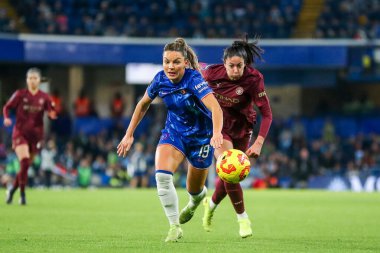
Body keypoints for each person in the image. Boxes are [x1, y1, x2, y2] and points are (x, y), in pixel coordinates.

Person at [117, 38, 223, 242]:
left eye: (176, 62)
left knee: (195, 189)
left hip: (202, 138)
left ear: (185, 62)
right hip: (174, 133)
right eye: (166, 61)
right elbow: (142, 104)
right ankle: (174, 227)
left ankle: (195, 202)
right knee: (162, 178)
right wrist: (129, 134)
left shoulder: (194, 80)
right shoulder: (159, 79)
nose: (170, 66)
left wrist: (217, 133)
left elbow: (215, 108)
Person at [200, 36, 273, 238]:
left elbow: (267, 114)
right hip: (219, 125)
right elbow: (193, 64)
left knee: (230, 174)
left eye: (239, 66)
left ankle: (211, 204)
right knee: (229, 165)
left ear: (245, 64)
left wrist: (259, 142)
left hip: (242, 127)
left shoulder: (253, 79)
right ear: (224, 63)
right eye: (231, 66)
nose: (235, 70)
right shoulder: (210, 72)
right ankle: (243, 219)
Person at [3, 67, 57, 205]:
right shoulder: (20, 94)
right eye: (30, 78)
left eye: (35, 78)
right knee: (24, 161)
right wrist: (6, 117)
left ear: (39, 80)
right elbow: (7, 107)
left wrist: (52, 115)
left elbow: (51, 113)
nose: (32, 81)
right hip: (20, 133)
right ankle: (22, 195)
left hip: (36, 136)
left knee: (25, 166)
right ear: (27, 80)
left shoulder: (44, 97)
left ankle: (12, 191)